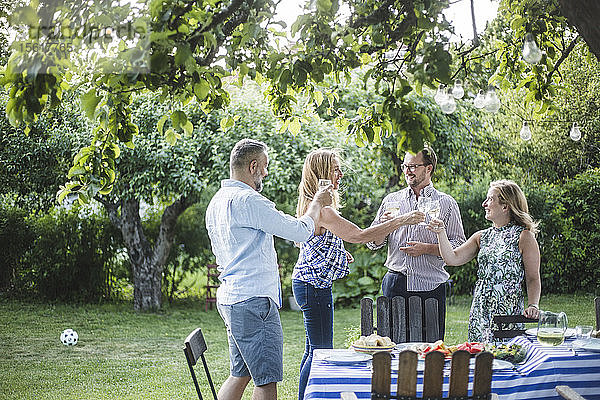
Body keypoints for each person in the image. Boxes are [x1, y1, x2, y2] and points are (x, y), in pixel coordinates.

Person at [205, 139, 332, 400]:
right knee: (266, 381)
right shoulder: (249, 201)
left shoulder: (216, 202)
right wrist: (317, 203)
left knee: (240, 374)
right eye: (264, 166)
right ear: (253, 166)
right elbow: (299, 231)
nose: (265, 172)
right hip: (254, 302)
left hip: (231, 298)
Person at [293, 149, 425, 400]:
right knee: (321, 352)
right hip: (313, 287)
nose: (340, 174)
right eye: (335, 169)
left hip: (309, 284)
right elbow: (360, 236)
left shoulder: (313, 204)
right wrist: (401, 220)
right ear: (321, 172)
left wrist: (338, 253)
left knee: (313, 350)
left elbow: (315, 244)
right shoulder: (324, 210)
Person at [366, 145, 466, 340]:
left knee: (430, 350)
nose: (407, 171)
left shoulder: (446, 203)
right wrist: (383, 226)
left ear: (428, 168)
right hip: (395, 283)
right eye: (405, 166)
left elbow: (458, 246)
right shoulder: (391, 201)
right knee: (392, 346)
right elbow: (373, 243)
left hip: (431, 285)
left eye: (413, 166)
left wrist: (427, 249)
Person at [427, 179, 541, 342]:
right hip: (480, 310)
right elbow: (452, 258)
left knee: (508, 357)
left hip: (507, 312)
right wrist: (441, 232)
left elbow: (533, 277)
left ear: (505, 206)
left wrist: (533, 305)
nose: (484, 204)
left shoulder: (524, 237)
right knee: (480, 359)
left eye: (490, 199)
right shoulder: (482, 237)